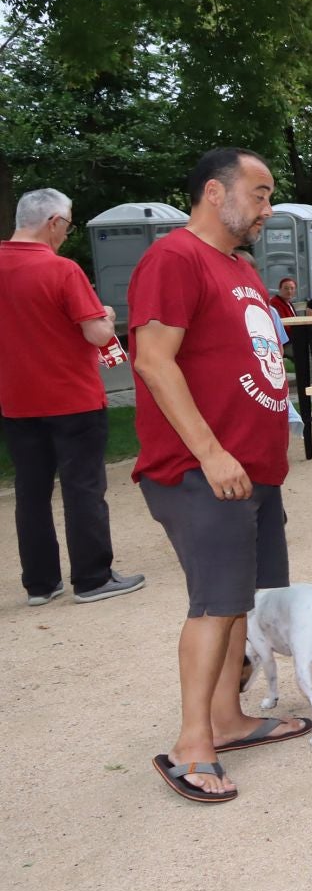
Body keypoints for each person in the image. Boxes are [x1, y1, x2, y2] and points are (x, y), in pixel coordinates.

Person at [131, 149, 312, 802]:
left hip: (250, 469)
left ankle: (231, 719)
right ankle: (191, 744)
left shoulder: (236, 266)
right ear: (215, 192)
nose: (267, 208)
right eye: (259, 195)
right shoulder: (173, 259)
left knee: (238, 596)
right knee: (213, 601)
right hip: (199, 470)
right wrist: (210, 451)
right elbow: (153, 360)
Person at [0, 189, 145, 607]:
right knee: (82, 488)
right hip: (71, 396)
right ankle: (93, 576)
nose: (66, 233)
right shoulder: (61, 270)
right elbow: (97, 334)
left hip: (17, 399)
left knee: (31, 492)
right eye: (67, 224)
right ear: (53, 223)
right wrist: (107, 316)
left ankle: (40, 583)